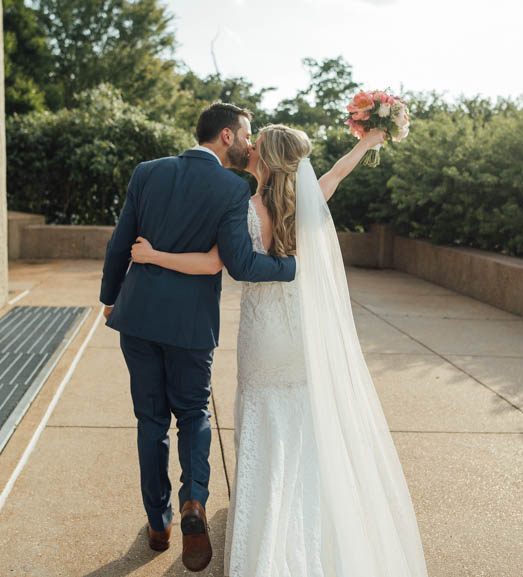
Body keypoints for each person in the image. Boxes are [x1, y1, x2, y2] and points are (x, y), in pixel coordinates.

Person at [130, 124, 431, 576]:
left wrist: (153, 257)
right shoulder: (308, 203)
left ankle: (268, 529)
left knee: (263, 422)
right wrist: (369, 140)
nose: (247, 147)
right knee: (303, 424)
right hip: (301, 336)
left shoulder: (244, 208)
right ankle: (313, 521)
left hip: (264, 336)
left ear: (265, 160)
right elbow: (337, 172)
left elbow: (216, 263)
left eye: (255, 146)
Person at [100, 103, 297, 572]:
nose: (251, 144)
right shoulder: (231, 188)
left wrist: (110, 297)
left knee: (150, 420)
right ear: (227, 136)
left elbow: (118, 242)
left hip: (138, 317)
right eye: (247, 134)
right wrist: (291, 268)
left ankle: (157, 522)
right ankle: (195, 502)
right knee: (192, 413)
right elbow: (242, 265)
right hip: (191, 327)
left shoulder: (147, 172)